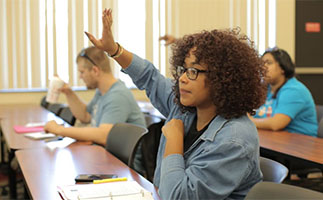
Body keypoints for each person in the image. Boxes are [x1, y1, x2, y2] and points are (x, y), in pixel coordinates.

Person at [85, 8, 267, 199]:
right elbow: (149, 77)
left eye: (193, 71)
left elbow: (179, 196)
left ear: (222, 78)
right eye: (183, 69)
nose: (182, 79)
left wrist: (174, 140)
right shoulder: (187, 109)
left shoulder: (234, 139)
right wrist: (114, 50)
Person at [44, 46, 146, 146]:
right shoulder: (102, 91)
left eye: (82, 72)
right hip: (104, 153)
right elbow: (85, 116)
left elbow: (103, 135)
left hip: (120, 161)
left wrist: (60, 130)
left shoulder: (118, 96)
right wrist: (68, 92)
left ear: (95, 70)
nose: (80, 77)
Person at [249, 47, 318, 137]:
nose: (263, 67)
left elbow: (276, 124)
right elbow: (257, 114)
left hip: (301, 144)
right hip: (276, 139)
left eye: (268, 63)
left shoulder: (294, 90)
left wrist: (249, 121)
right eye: (262, 63)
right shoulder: (267, 88)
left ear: (283, 68)